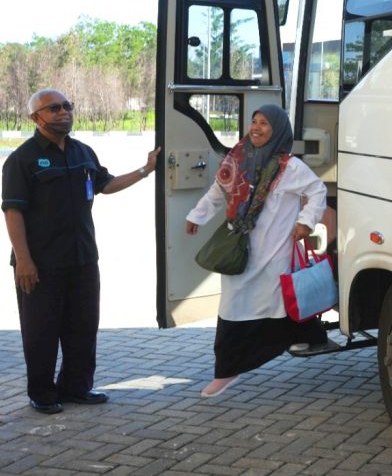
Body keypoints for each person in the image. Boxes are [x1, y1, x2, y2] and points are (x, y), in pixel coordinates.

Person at [2, 88, 161, 415]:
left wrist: (146, 170)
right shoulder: (22, 159)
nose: (64, 112)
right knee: (41, 331)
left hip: (83, 259)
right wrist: (24, 260)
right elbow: (13, 211)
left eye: (67, 106)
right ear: (36, 117)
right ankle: (43, 393)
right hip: (41, 263)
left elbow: (106, 184)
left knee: (83, 327)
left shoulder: (82, 152)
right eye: (54, 108)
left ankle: (76, 387)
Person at [185, 104, 337, 398]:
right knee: (232, 305)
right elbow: (219, 191)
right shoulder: (238, 159)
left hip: (273, 254)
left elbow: (317, 191)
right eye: (253, 121)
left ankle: (293, 342)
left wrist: (305, 223)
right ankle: (227, 370)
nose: (256, 127)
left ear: (278, 129)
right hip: (239, 249)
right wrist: (197, 216)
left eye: (264, 123)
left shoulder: (290, 167)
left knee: (279, 303)